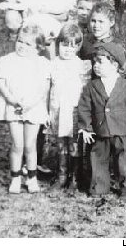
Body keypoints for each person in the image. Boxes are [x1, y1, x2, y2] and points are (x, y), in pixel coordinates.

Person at [0, 23, 51, 194]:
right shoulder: (7, 60)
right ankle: (15, 177)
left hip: (32, 107)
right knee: (17, 145)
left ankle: (32, 178)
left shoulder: (42, 63)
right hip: (13, 106)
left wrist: (30, 103)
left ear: (38, 47)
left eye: (28, 44)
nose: (22, 46)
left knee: (30, 145)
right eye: (20, 41)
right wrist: (12, 99)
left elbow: (44, 88)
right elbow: (2, 83)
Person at [77, 42, 126, 197]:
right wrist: (85, 128)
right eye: (94, 62)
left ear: (115, 64)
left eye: (100, 62)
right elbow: (84, 107)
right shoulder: (91, 86)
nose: (95, 65)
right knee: (98, 160)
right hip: (100, 130)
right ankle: (99, 187)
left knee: (124, 160)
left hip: (122, 130)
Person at [49, 23, 91, 190]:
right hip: (57, 109)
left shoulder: (81, 65)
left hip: (73, 110)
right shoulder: (53, 64)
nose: (67, 50)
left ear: (78, 47)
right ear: (58, 44)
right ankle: (61, 175)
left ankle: (75, 177)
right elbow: (47, 89)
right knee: (61, 144)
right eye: (64, 45)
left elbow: (85, 93)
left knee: (74, 143)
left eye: (72, 46)